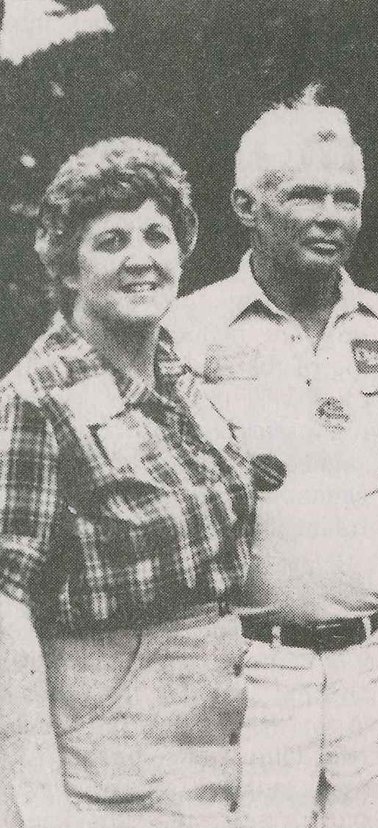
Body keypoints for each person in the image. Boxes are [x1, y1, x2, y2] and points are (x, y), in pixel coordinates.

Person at [167, 87, 378, 827]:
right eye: (305, 194)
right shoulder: (186, 333)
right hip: (254, 665)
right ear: (246, 206)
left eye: (347, 197)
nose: (331, 215)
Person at [0, 137, 253, 827]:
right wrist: (32, 803)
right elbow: (5, 607)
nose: (141, 257)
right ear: (69, 267)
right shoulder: (35, 398)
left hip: (219, 742)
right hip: (115, 762)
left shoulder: (177, 373)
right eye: (111, 240)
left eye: (157, 235)